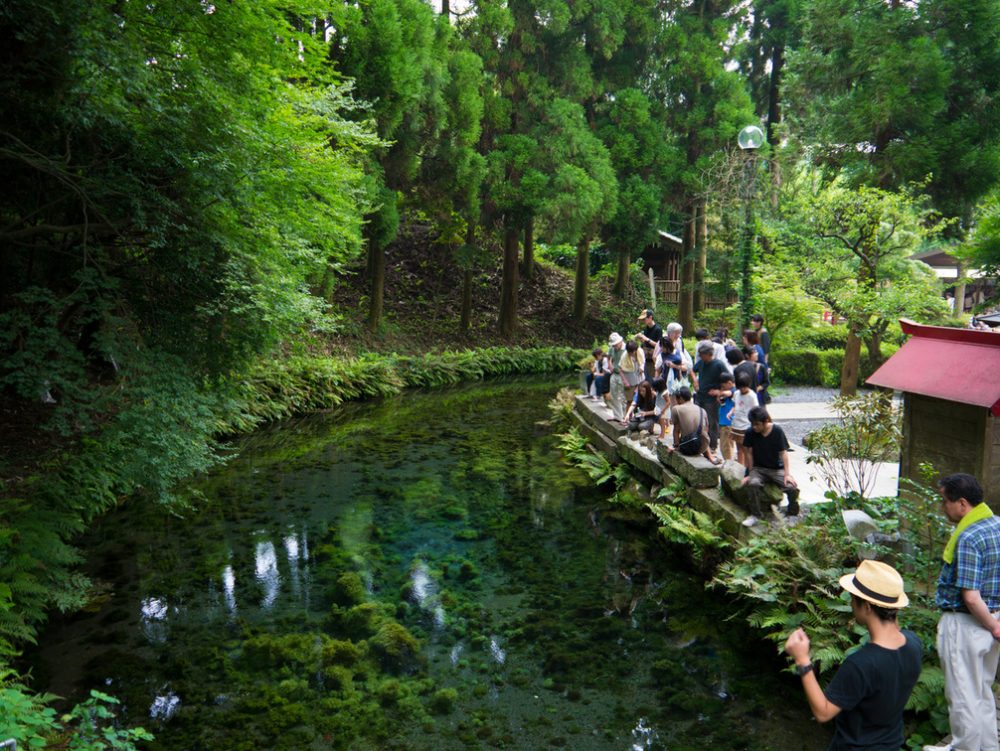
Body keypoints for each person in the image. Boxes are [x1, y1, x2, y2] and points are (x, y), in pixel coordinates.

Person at [785, 560, 922, 751]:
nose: (850, 603)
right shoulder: (914, 644)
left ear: (866, 606)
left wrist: (802, 660)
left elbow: (823, 712)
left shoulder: (861, 664)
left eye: (852, 597)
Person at [923, 473, 1000, 751]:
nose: (943, 507)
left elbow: (970, 595)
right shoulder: (996, 525)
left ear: (963, 504)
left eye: (945, 501)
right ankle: (988, 747)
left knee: (963, 696)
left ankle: (964, 748)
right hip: (992, 619)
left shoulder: (968, 536)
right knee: (981, 690)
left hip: (967, 625)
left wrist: (992, 626)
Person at [740, 406, 799, 526]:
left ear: (766, 421)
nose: (754, 427)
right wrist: (748, 473)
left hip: (776, 469)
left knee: (792, 488)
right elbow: (748, 453)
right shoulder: (750, 432)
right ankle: (755, 514)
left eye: (757, 424)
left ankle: (792, 513)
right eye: (753, 424)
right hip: (758, 469)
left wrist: (787, 474)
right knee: (753, 484)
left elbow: (784, 453)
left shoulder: (777, 431)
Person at [691, 340, 728, 452]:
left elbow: (728, 380)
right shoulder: (701, 363)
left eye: (702, 355)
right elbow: (692, 370)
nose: (700, 357)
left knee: (712, 422)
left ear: (709, 354)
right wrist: (695, 381)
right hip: (700, 396)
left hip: (711, 399)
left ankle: (712, 446)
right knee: (699, 421)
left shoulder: (719, 364)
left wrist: (719, 391)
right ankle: (701, 443)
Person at [666, 387, 719, 463]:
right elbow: (706, 430)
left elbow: (676, 431)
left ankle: (709, 456)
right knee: (701, 433)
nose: (676, 401)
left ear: (680, 398)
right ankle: (710, 456)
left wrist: (676, 446)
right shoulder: (702, 410)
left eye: (676, 399)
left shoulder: (676, 409)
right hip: (703, 446)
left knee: (692, 435)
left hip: (688, 447)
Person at [728, 372, 758, 467]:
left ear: (748, 385)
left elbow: (756, 410)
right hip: (737, 424)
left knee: (747, 449)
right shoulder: (736, 393)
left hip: (747, 425)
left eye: (744, 387)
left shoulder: (752, 395)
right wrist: (731, 412)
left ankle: (748, 468)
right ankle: (741, 468)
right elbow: (735, 405)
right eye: (740, 387)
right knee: (739, 449)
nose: (742, 389)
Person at [636, 308, 663, 382]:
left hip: (653, 359)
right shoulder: (646, 329)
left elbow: (659, 345)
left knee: (652, 379)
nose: (643, 321)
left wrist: (646, 339)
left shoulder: (658, 329)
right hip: (645, 358)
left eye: (645, 319)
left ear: (650, 317)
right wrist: (642, 339)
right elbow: (645, 342)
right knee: (645, 379)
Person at [619, 341, 644, 415]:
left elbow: (643, 362)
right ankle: (628, 418)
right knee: (629, 401)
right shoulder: (624, 356)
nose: (630, 354)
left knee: (638, 400)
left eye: (632, 352)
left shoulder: (640, 352)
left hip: (639, 379)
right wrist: (625, 381)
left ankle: (636, 417)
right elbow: (620, 369)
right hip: (629, 380)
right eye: (629, 352)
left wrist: (641, 367)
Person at [606, 333, 627, 421]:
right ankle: (617, 416)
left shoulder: (626, 348)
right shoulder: (612, 348)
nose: (614, 347)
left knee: (624, 396)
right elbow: (609, 356)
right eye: (613, 345)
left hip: (624, 374)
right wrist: (609, 363)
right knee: (614, 395)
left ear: (620, 342)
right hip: (614, 373)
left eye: (616, 345)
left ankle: (626, 416)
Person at [717, 373, 736, 462]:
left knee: (726, 447)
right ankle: (730, 464)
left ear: (729, 383)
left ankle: (730, 467)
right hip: (724, 422)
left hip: (727, 423)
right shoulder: (729, 392)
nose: (722, 388)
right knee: (725, 447)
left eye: (723, 386)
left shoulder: (734, 390)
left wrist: (718, 392)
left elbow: (728, 393)